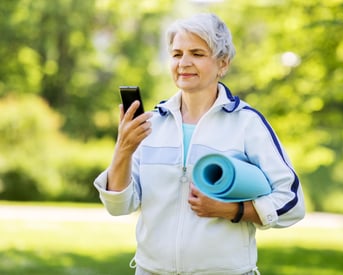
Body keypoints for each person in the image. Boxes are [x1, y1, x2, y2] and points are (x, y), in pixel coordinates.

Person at [94, 13, 305, 275]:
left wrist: (233, 210)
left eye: (197, 53)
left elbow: (292, 202)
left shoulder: (246, 123)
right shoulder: (152, 125)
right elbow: (118, 206)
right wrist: (123, 150)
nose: (184, 63)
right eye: (176, 54)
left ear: (223, 64)